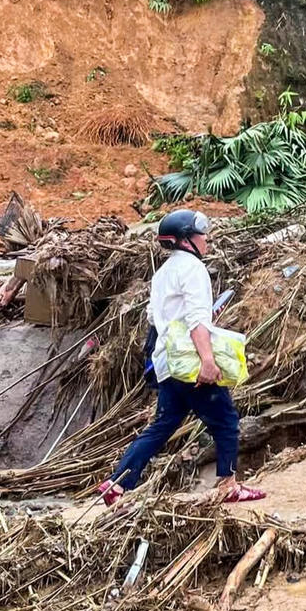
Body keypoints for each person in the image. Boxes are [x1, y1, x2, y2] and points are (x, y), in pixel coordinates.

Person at [98, 209, 264, 506]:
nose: (206, 240)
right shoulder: (193, 270)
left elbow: (156, 317)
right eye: (201, 234)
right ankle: (229, 486)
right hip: (190, 362)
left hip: (167, 363)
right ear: (186, 240)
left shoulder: (164, 272)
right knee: (225, 420)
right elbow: (196, 321)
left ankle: (117, 483)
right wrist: (208, 362)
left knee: (163, 425)